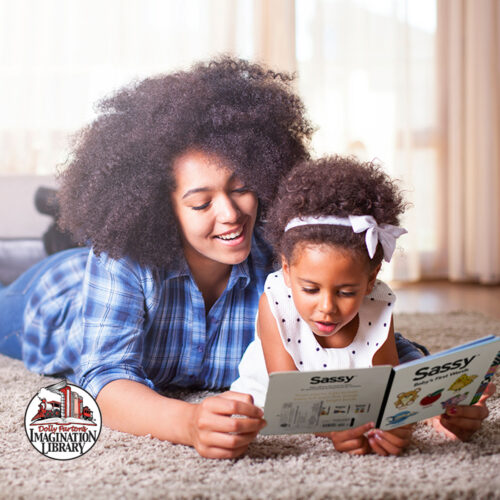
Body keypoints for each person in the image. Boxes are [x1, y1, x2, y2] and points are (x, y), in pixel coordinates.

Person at [0, 57, 425, 459]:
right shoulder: (123, 257)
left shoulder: (287, 257)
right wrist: (188, 423)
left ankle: (58, 229)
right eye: (202, 203)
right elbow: (100, 379)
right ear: (160, 207)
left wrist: (439, 400)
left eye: (241, 188)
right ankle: (57, 234)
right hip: (53, 295)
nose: (231, 214)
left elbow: (376, 337)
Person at [231, 156, 495, 455]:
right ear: (287, 271)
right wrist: (334, 429)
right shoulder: (274, 300)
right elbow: (292, 401)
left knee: (420, 374)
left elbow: (388, 388)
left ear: (371, 281)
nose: (327, 307)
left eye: (345, 292)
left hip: (352, 394)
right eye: (310, 289)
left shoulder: (377, 303)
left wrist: (393, 426)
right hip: (277, 398)